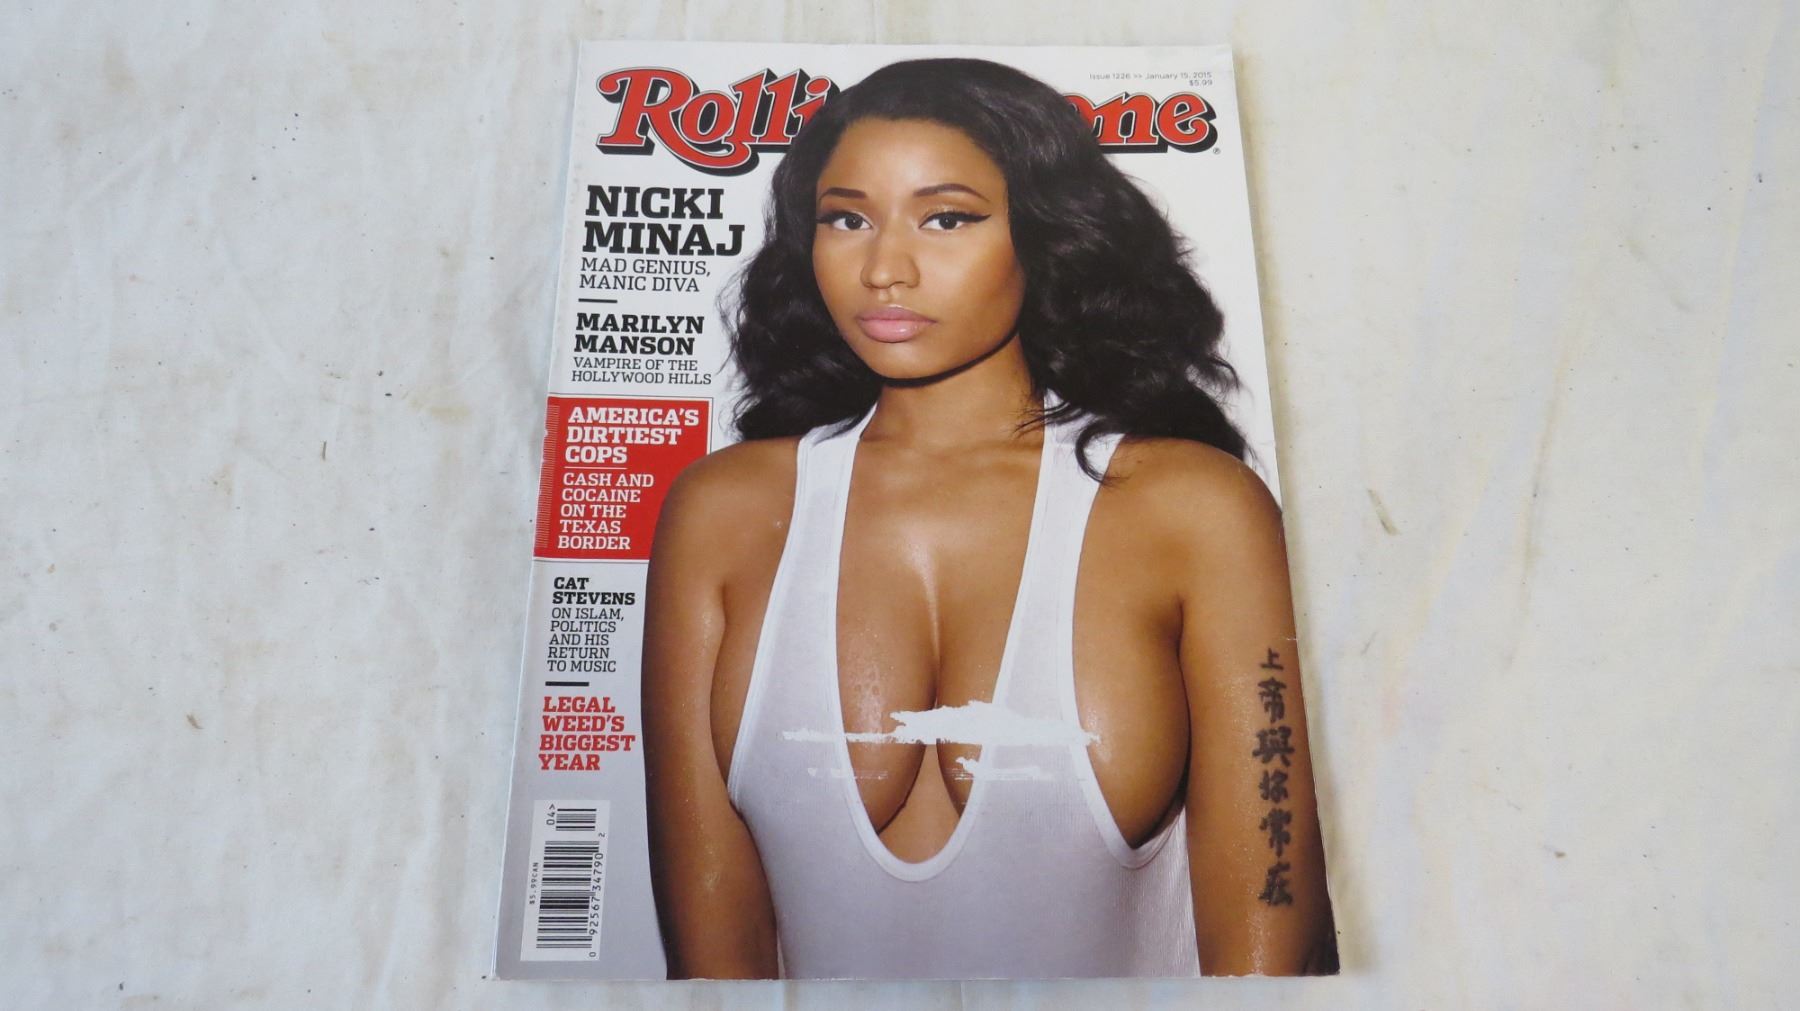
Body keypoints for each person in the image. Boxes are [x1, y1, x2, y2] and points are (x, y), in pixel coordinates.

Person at [642, 57, 1336, 979]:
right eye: (847, 218)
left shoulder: (1196, 511)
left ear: (1045, 235)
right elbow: (710, 962)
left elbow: (1271, 951)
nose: (884, 269)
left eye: (947, 218)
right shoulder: (723, 513)